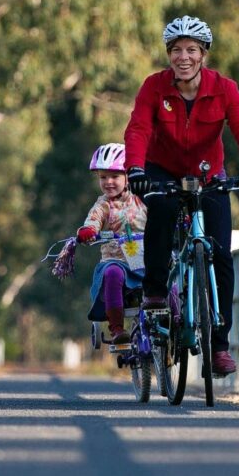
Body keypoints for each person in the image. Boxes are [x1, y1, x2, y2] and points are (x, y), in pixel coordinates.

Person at [123, 15, 239, 377]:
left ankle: (219, 347)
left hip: (208, 174)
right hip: (161, 169)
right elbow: (138, 128)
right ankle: (156, 291)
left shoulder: (224, 89)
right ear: (168, 54)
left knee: (221, 253)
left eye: (191, 50)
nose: (183, 57)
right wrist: (135, 169)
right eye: (176, 50)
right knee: (162, 210)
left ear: (204, 54)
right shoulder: (154, 87)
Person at [75, 143, 148, 345]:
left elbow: (162, 216)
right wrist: (88, 231)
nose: (108, 182)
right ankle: (116, 328)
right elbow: (93, 219)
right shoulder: (103, 204)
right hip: (117, 261)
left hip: (147, 261)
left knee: (170, 275)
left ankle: (174, 325)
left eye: (115, 176)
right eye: (103, 177)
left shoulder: (142, 199)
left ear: (128, 176)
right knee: (112, 273)